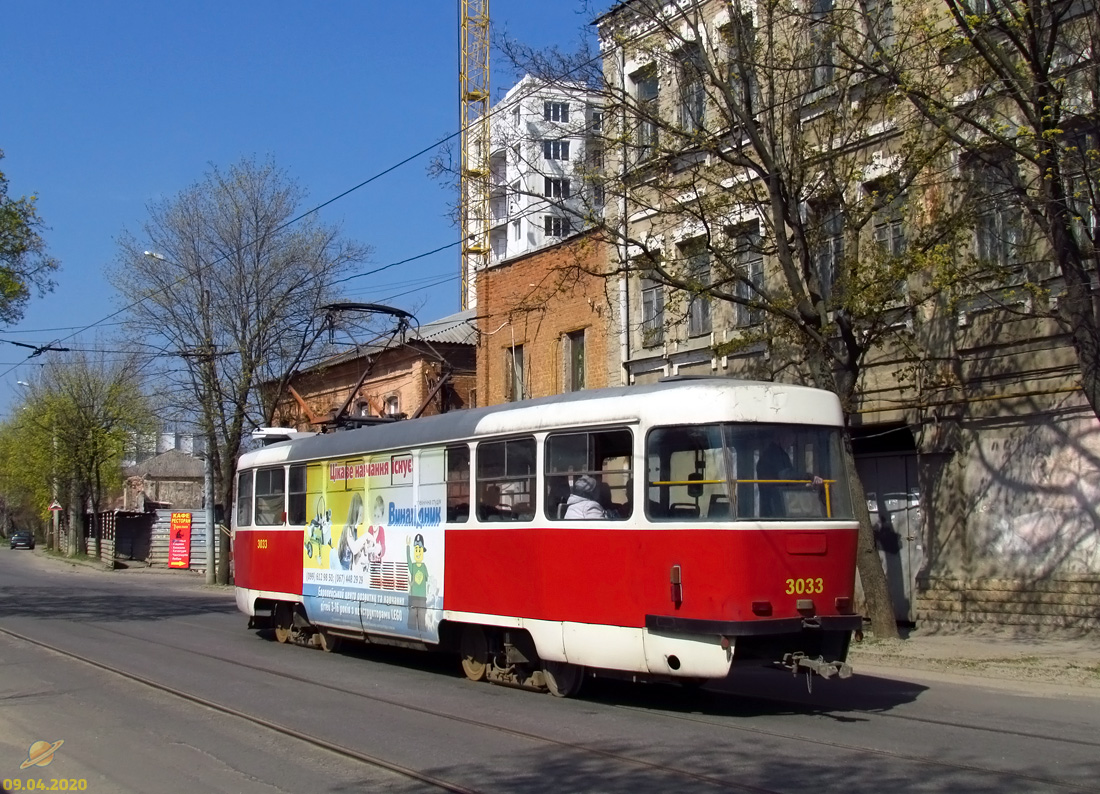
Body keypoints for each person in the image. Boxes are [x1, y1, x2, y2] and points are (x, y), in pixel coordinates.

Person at [757, 434, 823, 518]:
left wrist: (803, 485)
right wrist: (809, 477)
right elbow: (785, 476)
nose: (791, 442)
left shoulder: (767, 455)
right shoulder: (777, 454)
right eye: (791, 437)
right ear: (782, 436)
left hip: (769, 507)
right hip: (779, 507)